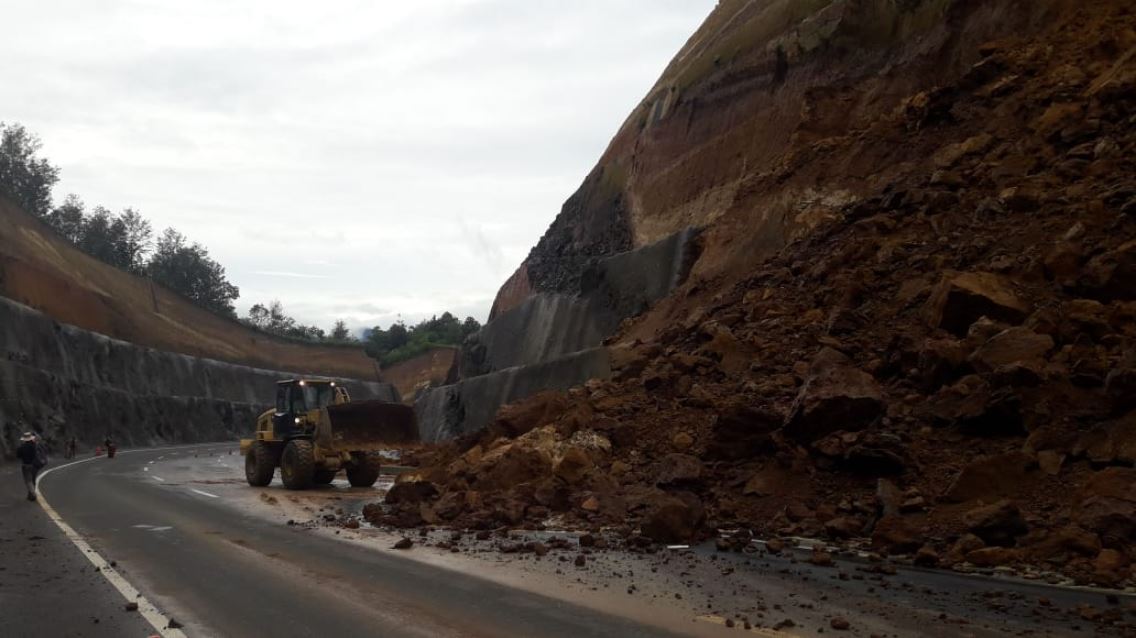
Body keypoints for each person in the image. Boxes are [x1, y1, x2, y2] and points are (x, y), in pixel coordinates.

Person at [16, 432, 46, 501]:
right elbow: (35, 454)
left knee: (28, 481)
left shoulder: (21, 447)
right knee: (32, 479)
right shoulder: (33, 446)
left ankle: (33, 494)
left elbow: (18, 456)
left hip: (25, 465)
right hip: (32, 465)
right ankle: (31, 495)